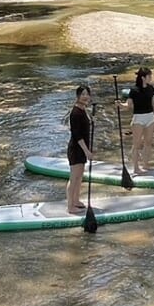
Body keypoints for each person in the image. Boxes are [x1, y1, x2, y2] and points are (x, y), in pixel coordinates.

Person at [122, 66, 154, 174]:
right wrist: (120, 105)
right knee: (136, 144)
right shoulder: (134, 90)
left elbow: (153, 103)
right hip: (138, 118)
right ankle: (136, 167)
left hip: (150, 117)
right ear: (143, 77)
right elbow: (128, 106)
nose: (150, 77)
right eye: (149, 76)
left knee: (148, 142)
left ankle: (145, 165)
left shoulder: (151, 89)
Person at [66, 85, 94, 213]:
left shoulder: (83, 109)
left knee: (79, 176)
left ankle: (76, 200)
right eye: (83, 94)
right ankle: (70, 206)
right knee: (74, 177)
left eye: (87, 94)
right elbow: (77, 135)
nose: (85, 96)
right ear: (78, 96)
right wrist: (87, 151)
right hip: (76, 149)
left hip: (82, 149)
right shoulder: (76, 113)